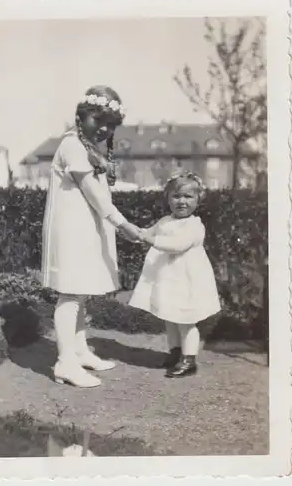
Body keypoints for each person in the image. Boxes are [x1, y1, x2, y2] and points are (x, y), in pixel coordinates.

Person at [41, 85, 140, 388]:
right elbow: (95, 194)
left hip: (84, 228)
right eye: (99, 120)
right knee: (70, 293)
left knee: (80, 291)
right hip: (69, 229)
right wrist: (124, 224)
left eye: (111, 125)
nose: (105, 129)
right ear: (81, 117)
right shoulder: (72, 145)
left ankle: (79, 351)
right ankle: (64, 363)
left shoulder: (89, 149)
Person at [130, 170, 221, 378]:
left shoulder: (195, 225)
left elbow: (177, 245)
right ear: (168, 199)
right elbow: (147, 233)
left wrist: (150, 240)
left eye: (188, 197)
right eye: (176, 196)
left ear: (198, 200)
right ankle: (175, 352)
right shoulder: (164, 221)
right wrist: (134, 232)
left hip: (186, 280)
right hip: (167, 278)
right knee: (169, 318)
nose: (182, 201)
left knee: (186, 320)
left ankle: (189, 360)